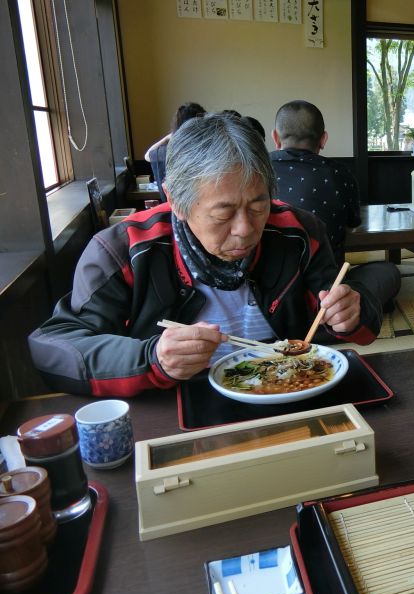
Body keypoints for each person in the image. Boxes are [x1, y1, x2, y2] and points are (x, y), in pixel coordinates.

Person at [28, 113, 381, 397]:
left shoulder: (298, 233)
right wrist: (151, 358)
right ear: (176, 202)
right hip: (177, 408)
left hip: (287, 394)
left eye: (258, 206)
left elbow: (345, 320)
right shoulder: (126, 250)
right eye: (223, 214)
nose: (245, 229)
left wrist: (352, 312)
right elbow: (55, 349)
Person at [270, 100, 400, 310]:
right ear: (323, 139)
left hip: (267, 297)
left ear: (275, 137)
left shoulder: (256, 171)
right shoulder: (339, 174)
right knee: (389, 272)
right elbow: (352, 225)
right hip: (326, 296)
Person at [144, 102, 205, 203]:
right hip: (202, 201)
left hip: (174, 206)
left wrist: (168, 137)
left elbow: (148, 156)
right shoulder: (206, 147)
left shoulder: (169, 151)